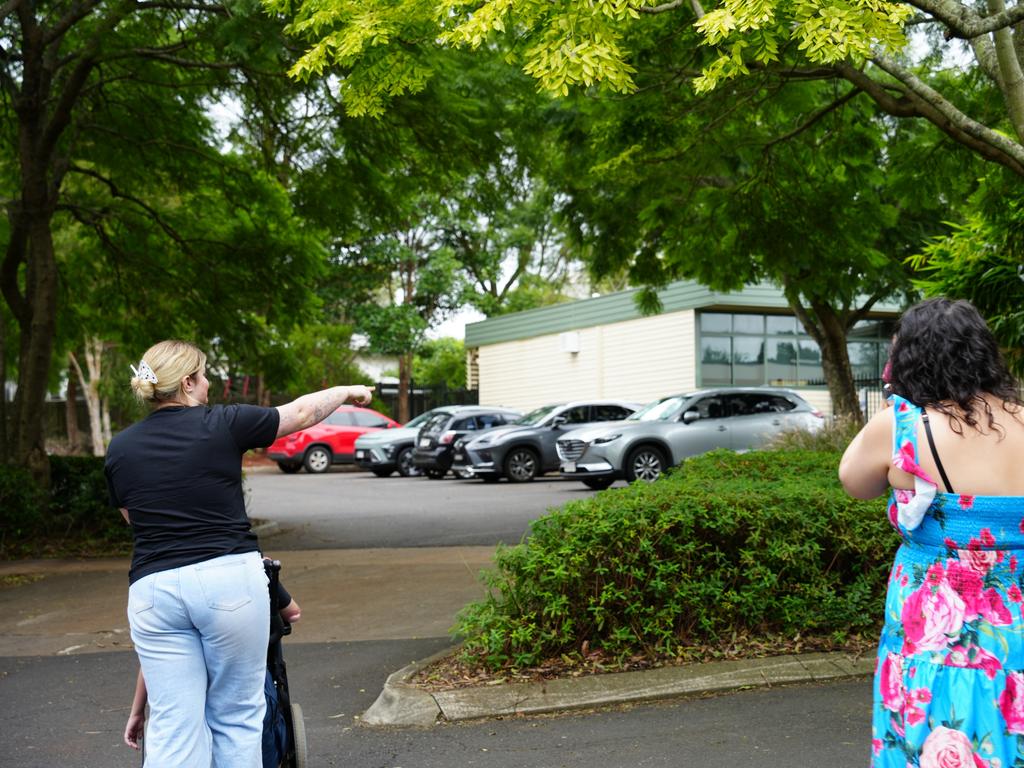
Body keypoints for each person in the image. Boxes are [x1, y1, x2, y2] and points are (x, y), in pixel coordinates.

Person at [106, 339, 371, 766]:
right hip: (226, 582)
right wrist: (346, 391)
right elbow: (302, 413)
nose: (209, 384)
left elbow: (136, 521)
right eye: (205, 375)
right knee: (236, 717)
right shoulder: (223, 422)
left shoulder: (120, 448)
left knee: (173, 725)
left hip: (153, 592)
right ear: (189, 382)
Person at [839, 298, 1024, 767]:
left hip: (933, 630)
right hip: (1016, 616)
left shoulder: (902, 426)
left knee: (934, 735)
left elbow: (854, 483)